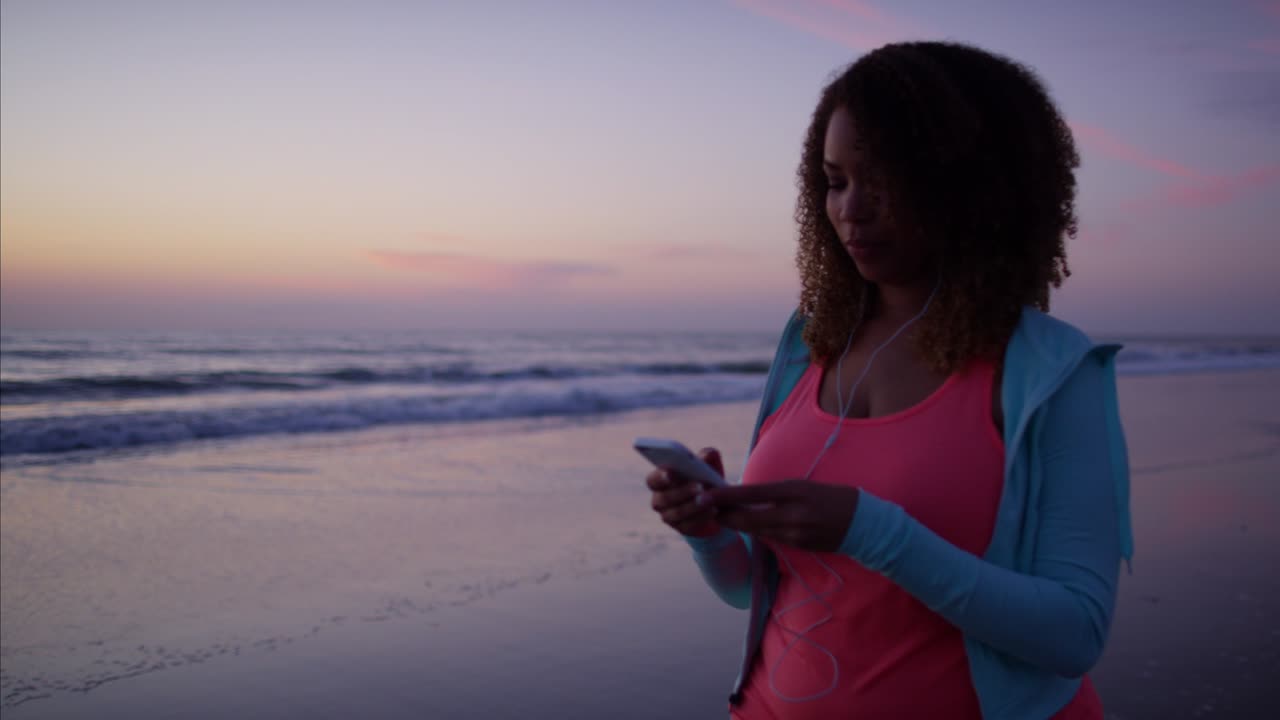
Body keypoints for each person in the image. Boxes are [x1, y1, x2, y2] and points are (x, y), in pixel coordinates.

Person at [646, 41, 1132, 720]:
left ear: (973, 182)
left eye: (882, 178)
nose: (850, 209)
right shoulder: (811, 342)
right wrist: (709, 533)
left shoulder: (1048, 373)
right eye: (836, 179)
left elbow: (1075, 633)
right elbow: (763, 588)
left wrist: (873, 531)